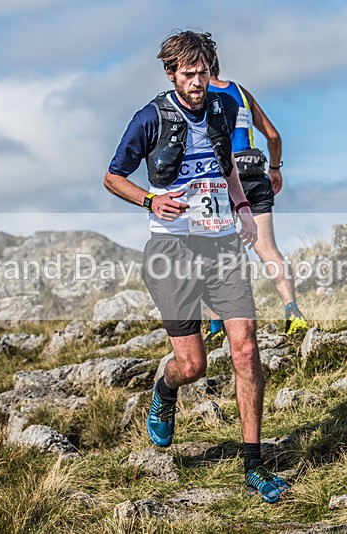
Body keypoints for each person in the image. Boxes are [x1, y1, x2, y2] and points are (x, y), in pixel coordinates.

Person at [103, 30, 289, 504]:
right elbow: (112, 176)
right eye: (189, 74)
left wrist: (242, 207)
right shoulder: (150, 117)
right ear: (172, 74)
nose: (198, 82)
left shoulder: (223, 108)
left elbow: (227, 168)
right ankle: (165, 390)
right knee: (193, 365)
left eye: (204, 72)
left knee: (245, 348)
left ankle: (254, 465)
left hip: (222, 245)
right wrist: (150, 199)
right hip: (172, 251)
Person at [205, 57, 308, 344]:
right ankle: (293, 312)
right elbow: (273, 136)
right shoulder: (241, 92)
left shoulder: (198, 95)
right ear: (219, 67)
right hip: (253, 173)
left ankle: (216, 327)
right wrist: (274, 169)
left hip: (222, 178)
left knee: (214, 252)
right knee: (268, 249)